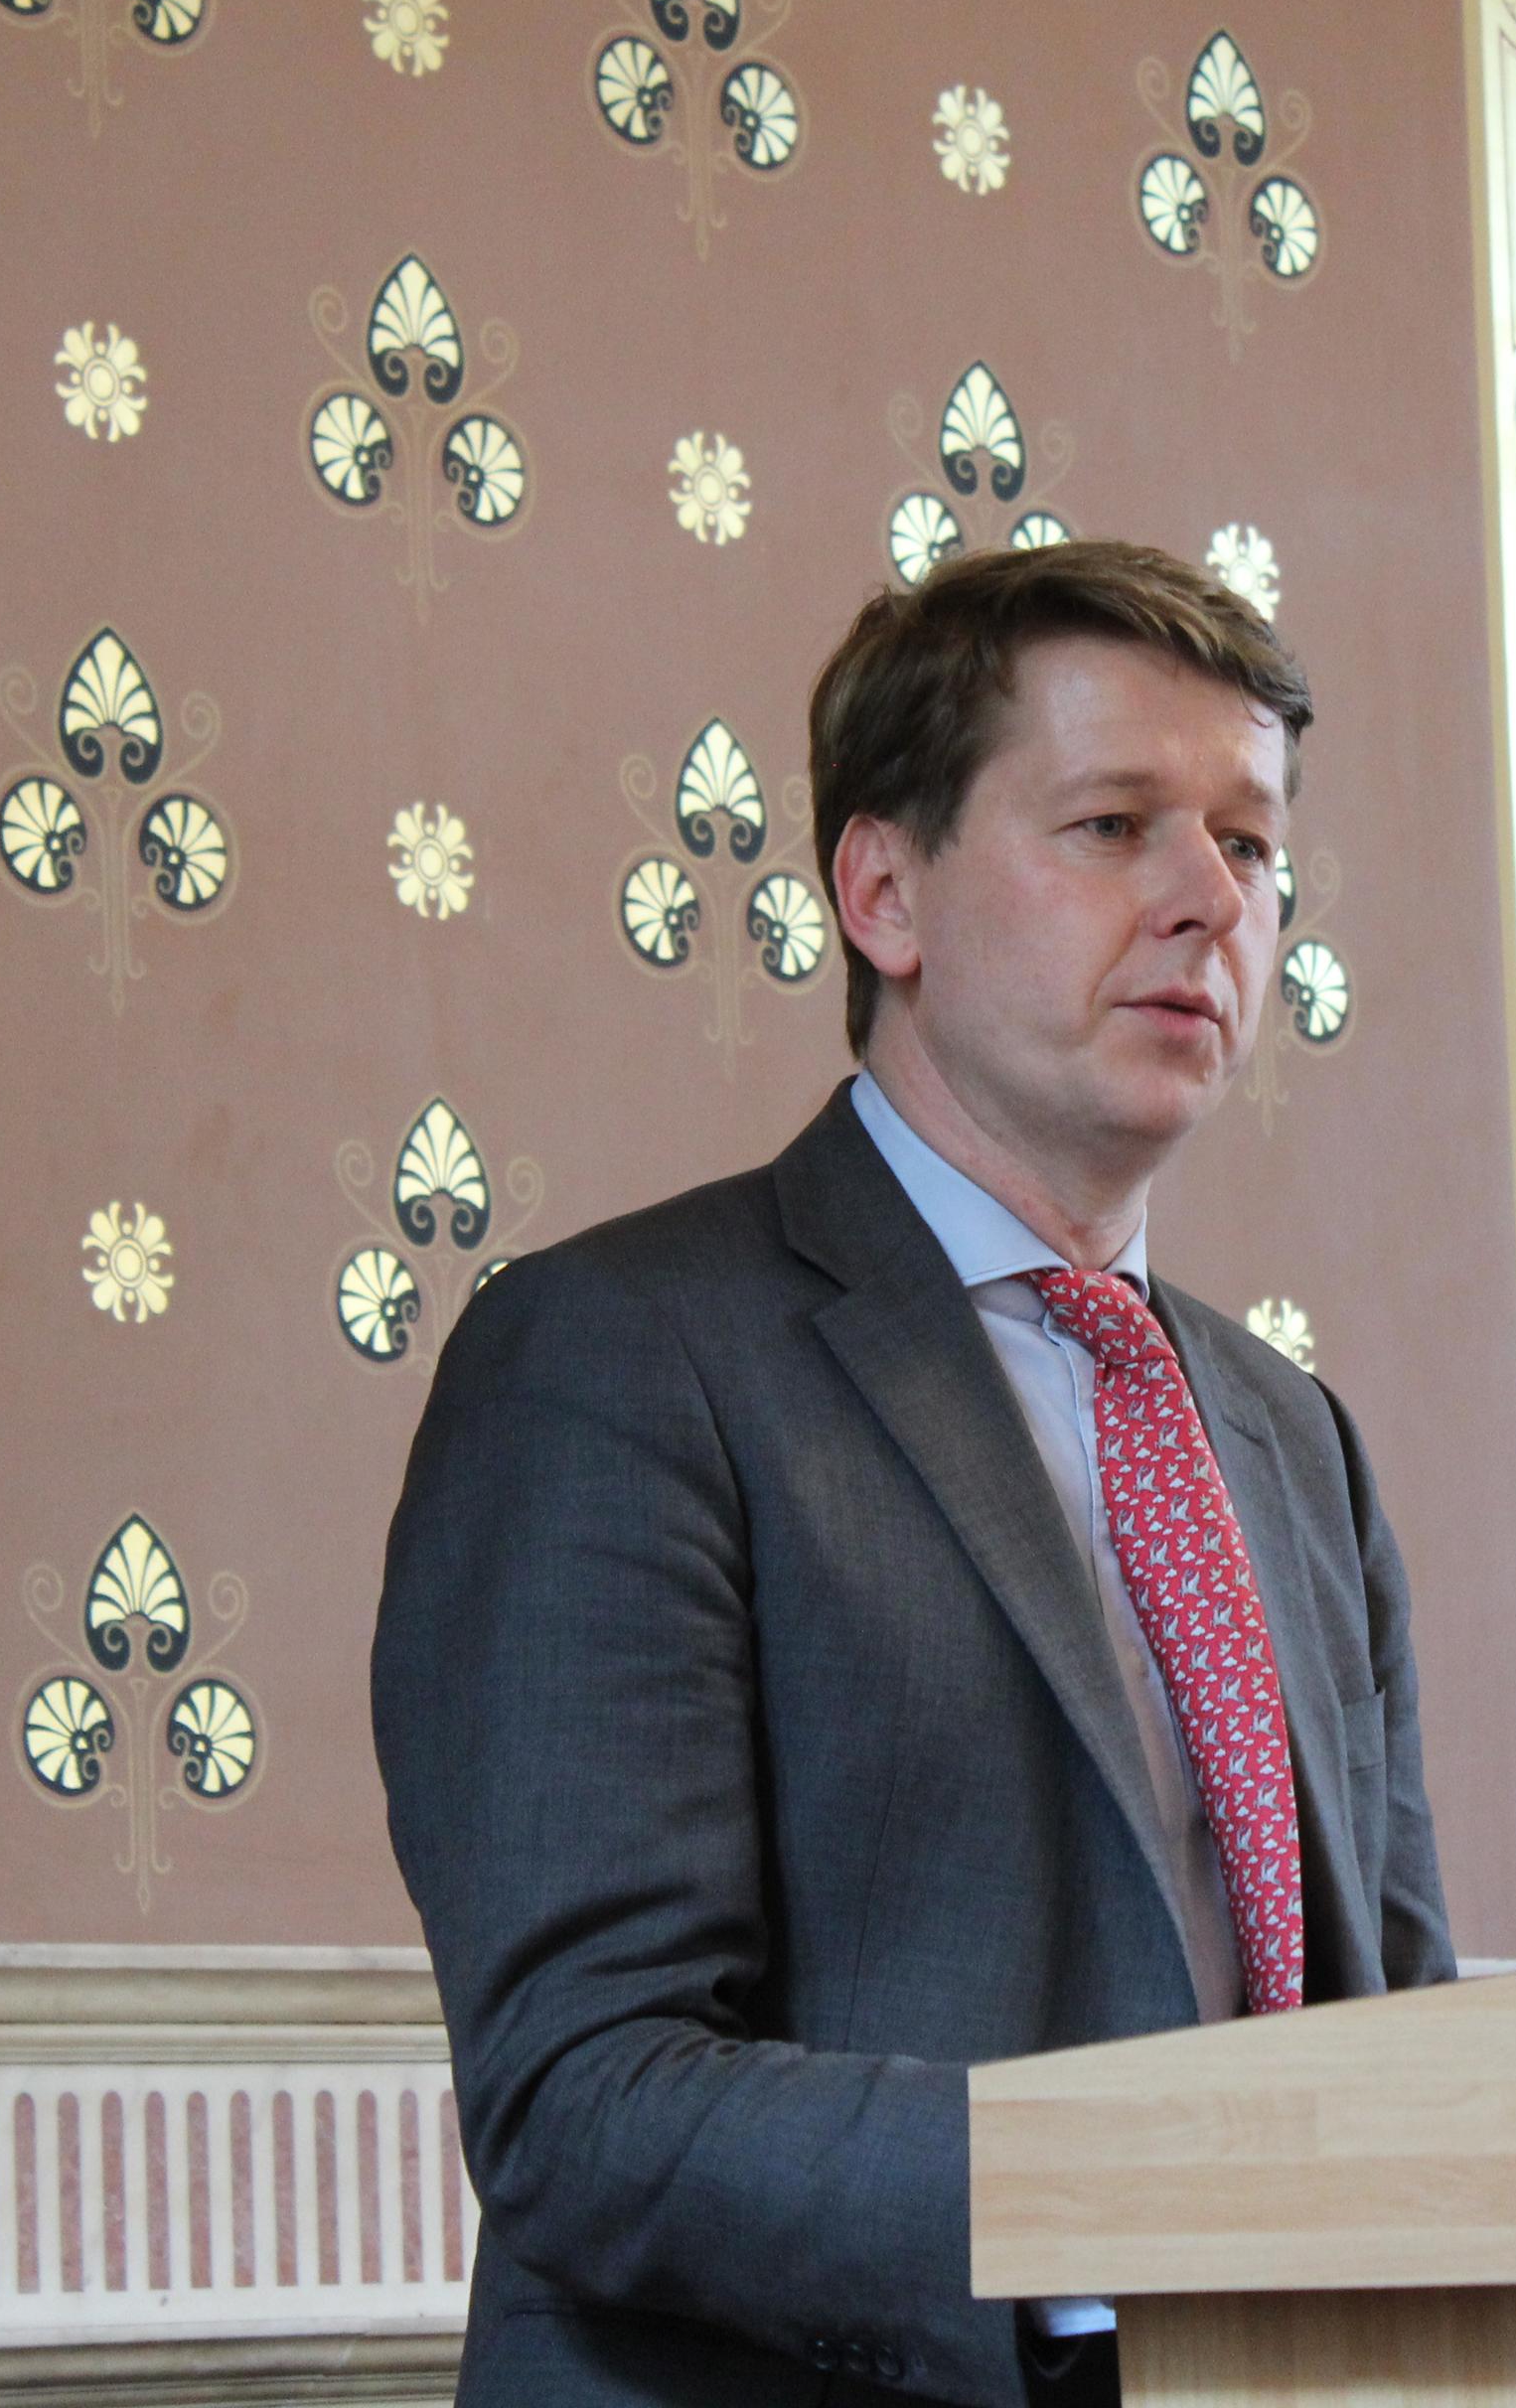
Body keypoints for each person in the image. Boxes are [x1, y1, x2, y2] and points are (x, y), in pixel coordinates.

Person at [372, 540, 1456, 2408]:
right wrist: (1130, 2208)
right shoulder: (620, 1360)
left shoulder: (1295, 1439)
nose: (1213, 900)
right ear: (883, 891)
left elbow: (1392, 2036)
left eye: (1253, 844)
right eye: (1116, 825)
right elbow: (586, 2093)